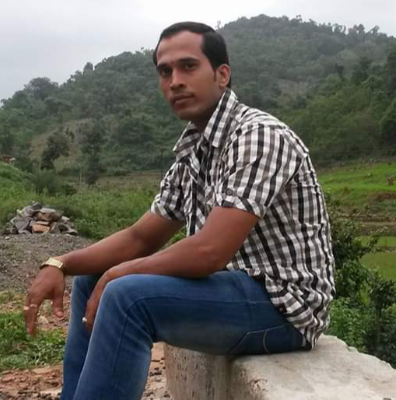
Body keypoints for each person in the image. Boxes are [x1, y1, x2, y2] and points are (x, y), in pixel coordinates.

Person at [24, 21, 335, 400]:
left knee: (126, 296)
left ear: (222, 75)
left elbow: (209, 251)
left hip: (284, 305)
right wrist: (60, 263)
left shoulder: (258, 136)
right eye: (165, 72)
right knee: (93, 280)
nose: (175, 81)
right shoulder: (193, 152)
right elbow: (140, 237)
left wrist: (124, 272)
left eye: (188, 66)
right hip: (233, 288)